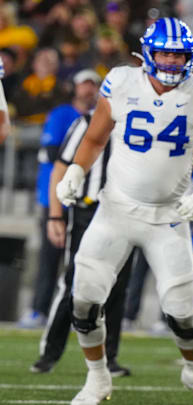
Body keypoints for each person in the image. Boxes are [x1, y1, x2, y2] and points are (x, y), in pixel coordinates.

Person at [54, 18, 193, 405]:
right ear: (148, 54)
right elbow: (94, 137)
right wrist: (75, 169)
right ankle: (97, 378)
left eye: (179, 55)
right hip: (116, 210)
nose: (172, 62)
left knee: (183, 313)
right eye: (165, 53)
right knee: (84, 301)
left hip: (167, 216)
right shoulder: (121, 82)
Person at [30, 111, 133, 377]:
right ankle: (49, 354)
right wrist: (55, 214)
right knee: (73, 282)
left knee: (118, 285)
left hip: (125, 212)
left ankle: (109, 358)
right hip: (88, 211)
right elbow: (61, 168)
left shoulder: (141, 119)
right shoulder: (88, 122)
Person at [18, 69, 101, 329]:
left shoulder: (101, 117)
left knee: (84, 259)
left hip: (86, 198)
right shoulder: (62, 114)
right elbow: (55, 152)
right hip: (55, 196)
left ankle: (75, 314)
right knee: (50, 257)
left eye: (93, 85)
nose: (88, 90)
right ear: (74, 87)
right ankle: (38, 309)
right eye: (84, 85)